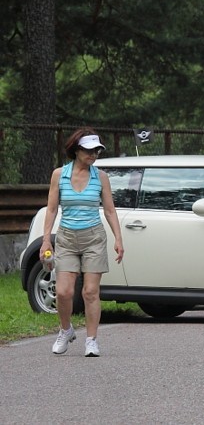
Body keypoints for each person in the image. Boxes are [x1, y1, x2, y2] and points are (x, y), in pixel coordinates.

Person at [40, 128, 124, 356]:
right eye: (88, 150)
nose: (93, 155)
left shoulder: (101, 177)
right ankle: (65, 330)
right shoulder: (59, 174)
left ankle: (91, 340)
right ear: (76, 150)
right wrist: (46, 240)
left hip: (94, 238)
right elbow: (51, 209)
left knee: (90, 292)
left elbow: (109, 210)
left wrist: (118, 238)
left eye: (97, 150)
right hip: (67, 237)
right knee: (65, 291)